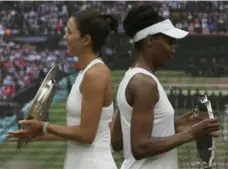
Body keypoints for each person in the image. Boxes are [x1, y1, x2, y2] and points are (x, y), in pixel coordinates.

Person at [111, 5, 220, 169]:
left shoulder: (130, 77)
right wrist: (191, 133)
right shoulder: (145, 84)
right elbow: (139, 147)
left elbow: (118, 141)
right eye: (169, 42)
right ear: (149, 40)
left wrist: (174, 126)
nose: (173, 50)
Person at [8, 10, 118, 169]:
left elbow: (86, 135)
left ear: (86, 39)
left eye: (69, 32)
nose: (65, 37)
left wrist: (44, 126)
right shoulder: (85, 72)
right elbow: (77, 131)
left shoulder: (95, 74)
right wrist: (38, 135)